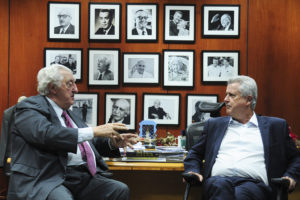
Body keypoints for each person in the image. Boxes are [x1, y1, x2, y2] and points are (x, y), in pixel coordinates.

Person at [7, 64, 138, 200]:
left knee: (119, 190)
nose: (76, 89)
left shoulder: (69, 114)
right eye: (70, 84)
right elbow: (47, 135)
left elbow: (86, 143)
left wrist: (113, 143)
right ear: (52, 88)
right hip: (49, 178)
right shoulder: (29, 108)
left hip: (81, 176)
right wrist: (93, 131)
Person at [184, 75, 300, 200]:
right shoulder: (214, 125)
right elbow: (195, 153)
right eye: (226, 94)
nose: (225, 100)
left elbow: (295, 158)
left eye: (231, 95)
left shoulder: (276, 126)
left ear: (248, 100)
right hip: (218, 182)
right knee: (221, 186)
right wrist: (193, 170)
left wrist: (291, 176)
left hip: (254, 185)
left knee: (242, 193)